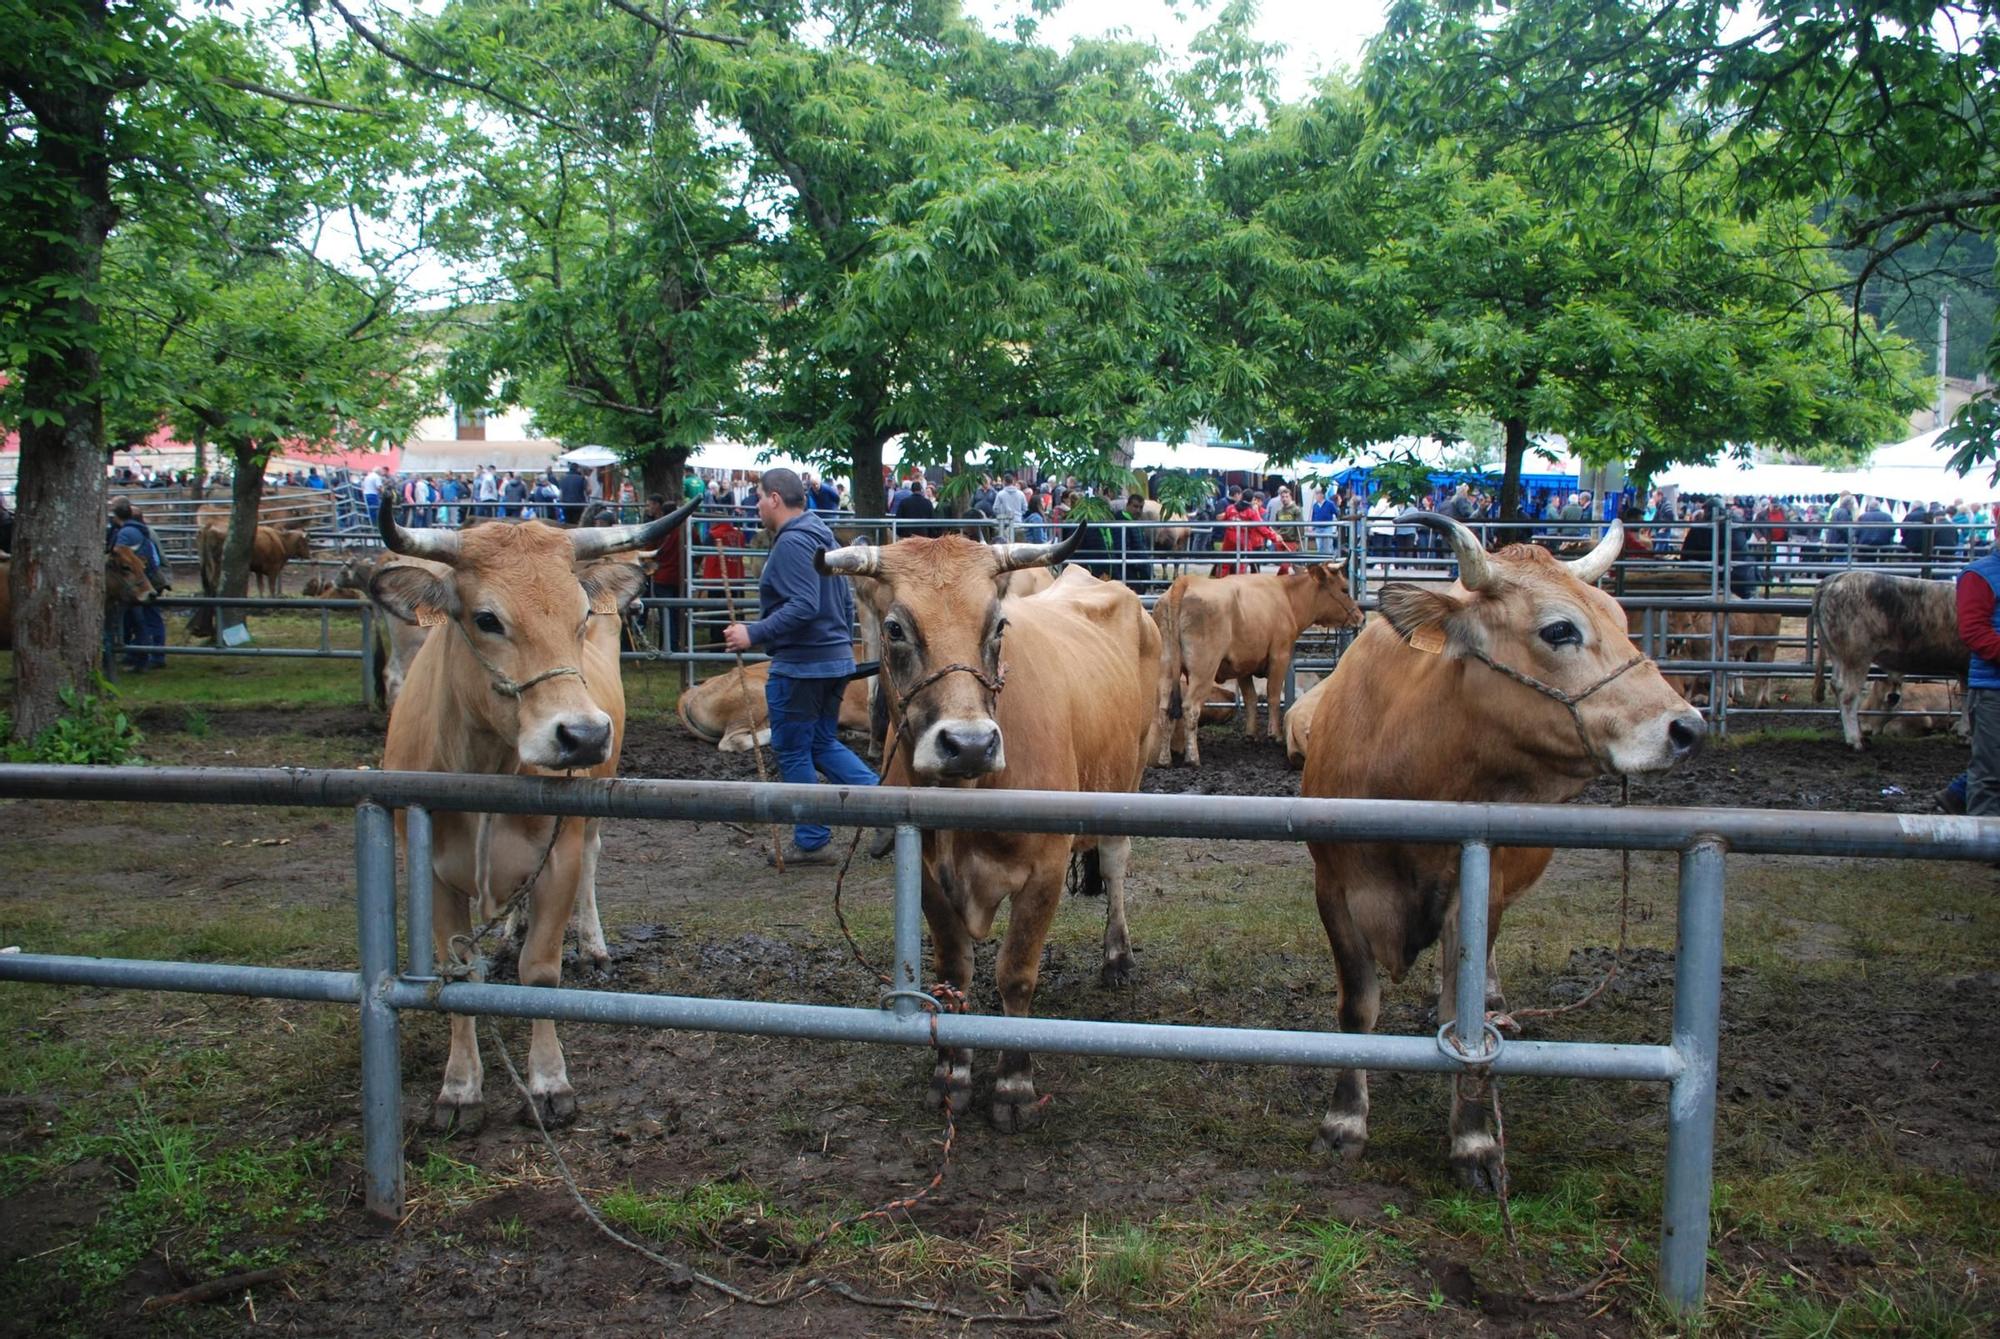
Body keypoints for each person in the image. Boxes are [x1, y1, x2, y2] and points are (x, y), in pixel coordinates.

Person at [723, 469, 878, 865]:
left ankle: (811, 840)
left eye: (758, 496)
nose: (755, 504)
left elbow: (804, 604)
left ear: (775, 498)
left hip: (801, 666)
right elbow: (843, 602)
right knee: (822, 744)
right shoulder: (823, 536)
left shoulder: (792, 544)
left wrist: (752, 633)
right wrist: (842, 647)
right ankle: (887, 810)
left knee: (793, 750)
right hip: (831, 661)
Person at [1955, 543, 2000, 822]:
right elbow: (1973, 631)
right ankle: (1988, 843)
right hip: (1993, 688)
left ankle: (1956, 794)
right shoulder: (1979, 575)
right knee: (1991, 769)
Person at [107, 497, 168, 670]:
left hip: (139, 582)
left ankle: (147, 657)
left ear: (115, 515)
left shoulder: (126, 534)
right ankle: (142, 654)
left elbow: (120, 557)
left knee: (143, 620)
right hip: (145, 579)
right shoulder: (140, 529)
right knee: (143, 619)